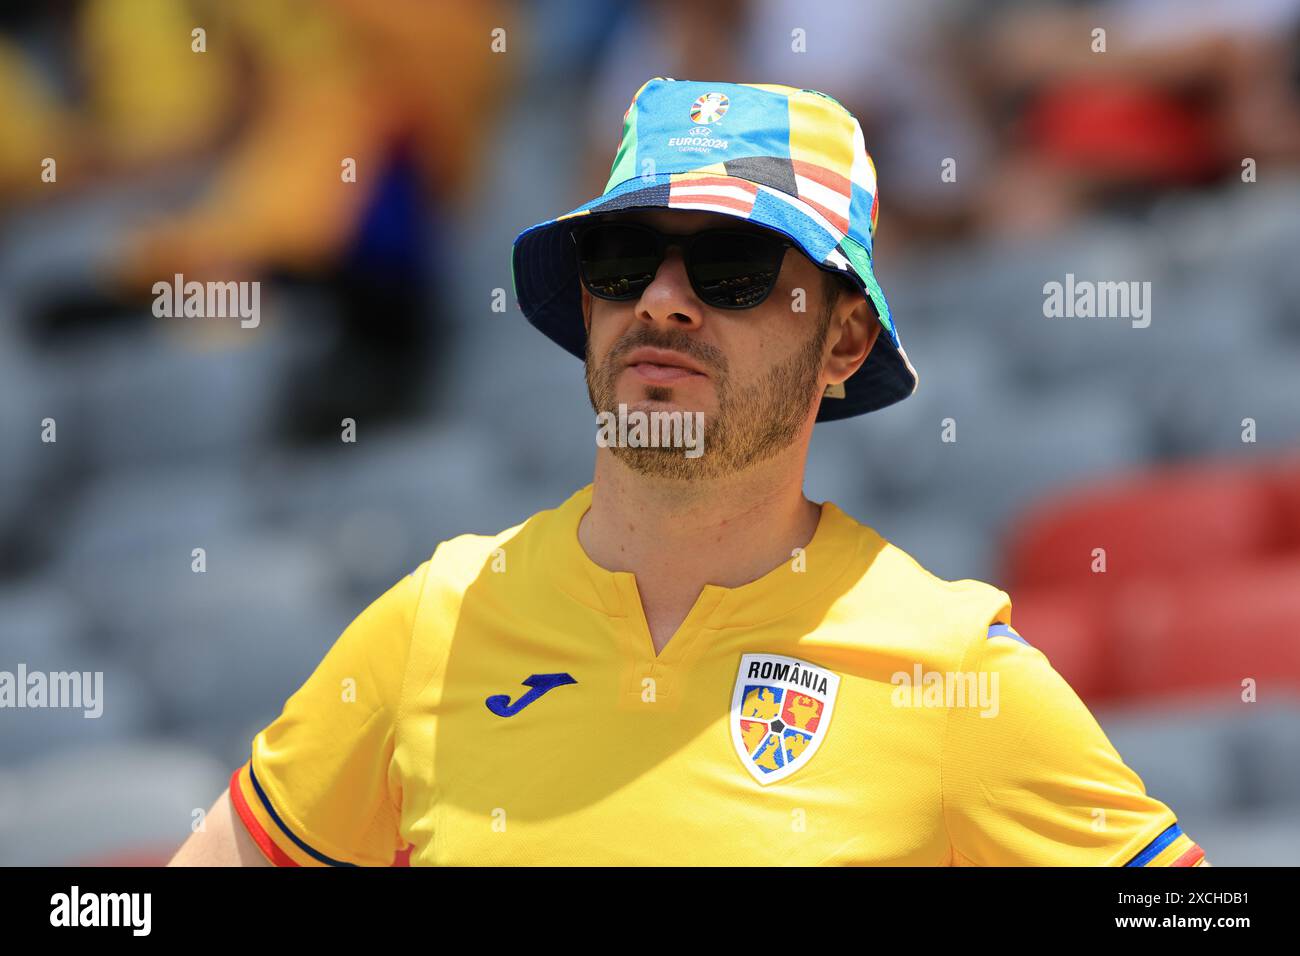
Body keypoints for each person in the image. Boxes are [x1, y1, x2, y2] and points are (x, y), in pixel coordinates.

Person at [169, 77, 1208, 867]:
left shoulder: (950, 669)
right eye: (623, 257)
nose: (663, 300)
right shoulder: (433, 621)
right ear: (588, 306)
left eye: (732, 267)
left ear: (843, 340)